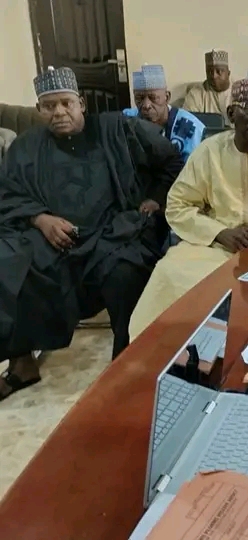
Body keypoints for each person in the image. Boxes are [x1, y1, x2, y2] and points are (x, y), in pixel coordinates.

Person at [0, 67, 184, 401]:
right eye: (49, 106)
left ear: (81, 104)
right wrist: (40, 219)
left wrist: (155, 199)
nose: (59, 112)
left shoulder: (118, 129)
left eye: (66, 103)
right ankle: (22, 364)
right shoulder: (27, 147)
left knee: (125, 272)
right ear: (39, 110)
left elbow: (172, 161)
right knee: (8, 259)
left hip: (112, 232)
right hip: (54, 240)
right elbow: (7, 196)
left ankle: (128, 367)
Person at [128, 74, 248, 340]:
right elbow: (177, 204)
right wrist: (220, 233)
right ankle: (165, 354)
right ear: (232, 114)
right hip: (215, 248)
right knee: (169, 275)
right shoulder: (209, 151)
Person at [123, 64, 205, 162]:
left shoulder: (191, 127)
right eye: (139, 98)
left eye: (153, 98)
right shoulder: (127, 118)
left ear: (167, 97)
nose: (146, 105)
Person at [184, 50, 233, 127]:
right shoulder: (195, 94)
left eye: (219, 71)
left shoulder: (241, 93)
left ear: (228, 73)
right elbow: (187, 123)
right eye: (209, 72)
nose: (214, 76)